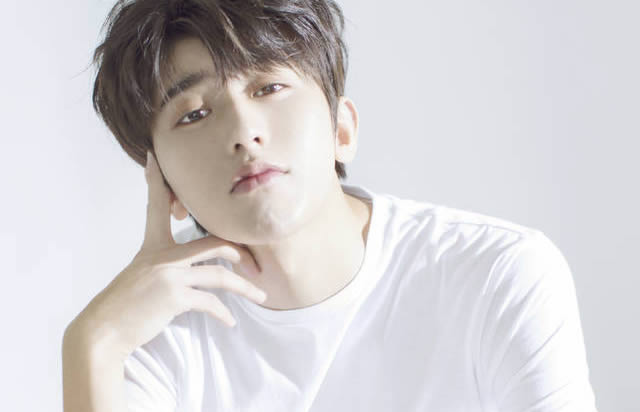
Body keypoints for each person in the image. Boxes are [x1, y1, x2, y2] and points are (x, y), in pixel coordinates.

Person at [62, 0, 599, 411]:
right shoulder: (150, 334)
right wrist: (91, 343)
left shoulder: (496, 274)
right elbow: (105, 347)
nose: (244, 131)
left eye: (269, 87)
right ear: (164, 185)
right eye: (194, 114)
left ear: (342, 129)